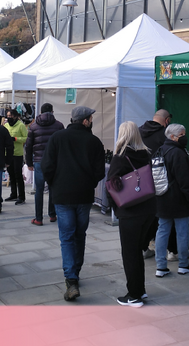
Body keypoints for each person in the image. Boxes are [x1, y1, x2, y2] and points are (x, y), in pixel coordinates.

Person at [42, 106, 105, 302]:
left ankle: (71, 278)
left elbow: (47, 166)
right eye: (91, 118)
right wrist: (90, 183)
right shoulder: (93, 141)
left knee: (67, 237)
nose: (92, 120)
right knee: (79, 234)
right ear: (85, 121)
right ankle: (74, 272)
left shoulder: (58, 137)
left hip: (62, 194)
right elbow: (100, 171)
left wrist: (55, 184)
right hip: (84, 195)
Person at [107, 122, 156, 307]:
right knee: (137, 251)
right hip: (149, 209)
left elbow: (112, 186)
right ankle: (140, 290)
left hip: (130, 212)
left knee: (130, 253)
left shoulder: (120, 157)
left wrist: (116, 210)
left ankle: (134, 294)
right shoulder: (146, 154)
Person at [154, 123, 189, 278]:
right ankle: (183, 264)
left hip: (161, 197)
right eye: (181, 134)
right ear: (172, 137)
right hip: (178, 199)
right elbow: (184, 180)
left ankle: (160, 267)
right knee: (182, 232)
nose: (184, 137)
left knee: (162, 231)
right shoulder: (178, 153)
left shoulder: (159, 151)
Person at [138, 109, 177, 261]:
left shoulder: (139, 131)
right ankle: (171, 250)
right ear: (167, 120)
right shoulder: (164, 135)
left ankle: (143, 247)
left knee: (148, 217)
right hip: (162, 181)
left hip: (141, 181)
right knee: (165, 217)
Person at [25, 103, 64, 226]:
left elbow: (28, 146)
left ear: (40, 112)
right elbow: (62, 145)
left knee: (39, 190)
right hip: (54, 161)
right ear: (52, 111)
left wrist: (29, 163)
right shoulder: (59, 125)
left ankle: (38, 218)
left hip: (39, 161)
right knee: (53, 188)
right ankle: (52, 215)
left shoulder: (34, 126)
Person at [4, 109, 28, 205]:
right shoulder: (5, 125)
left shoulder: (21, 125)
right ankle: (13, 193)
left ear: (15, 116)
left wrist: (15, 139)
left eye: (10, 116)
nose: (8, 117)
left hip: (17, 153)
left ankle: (21, 196)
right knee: (11, 174)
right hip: (8, 154)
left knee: (18, 175)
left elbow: (26, 138)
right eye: (7, 116)